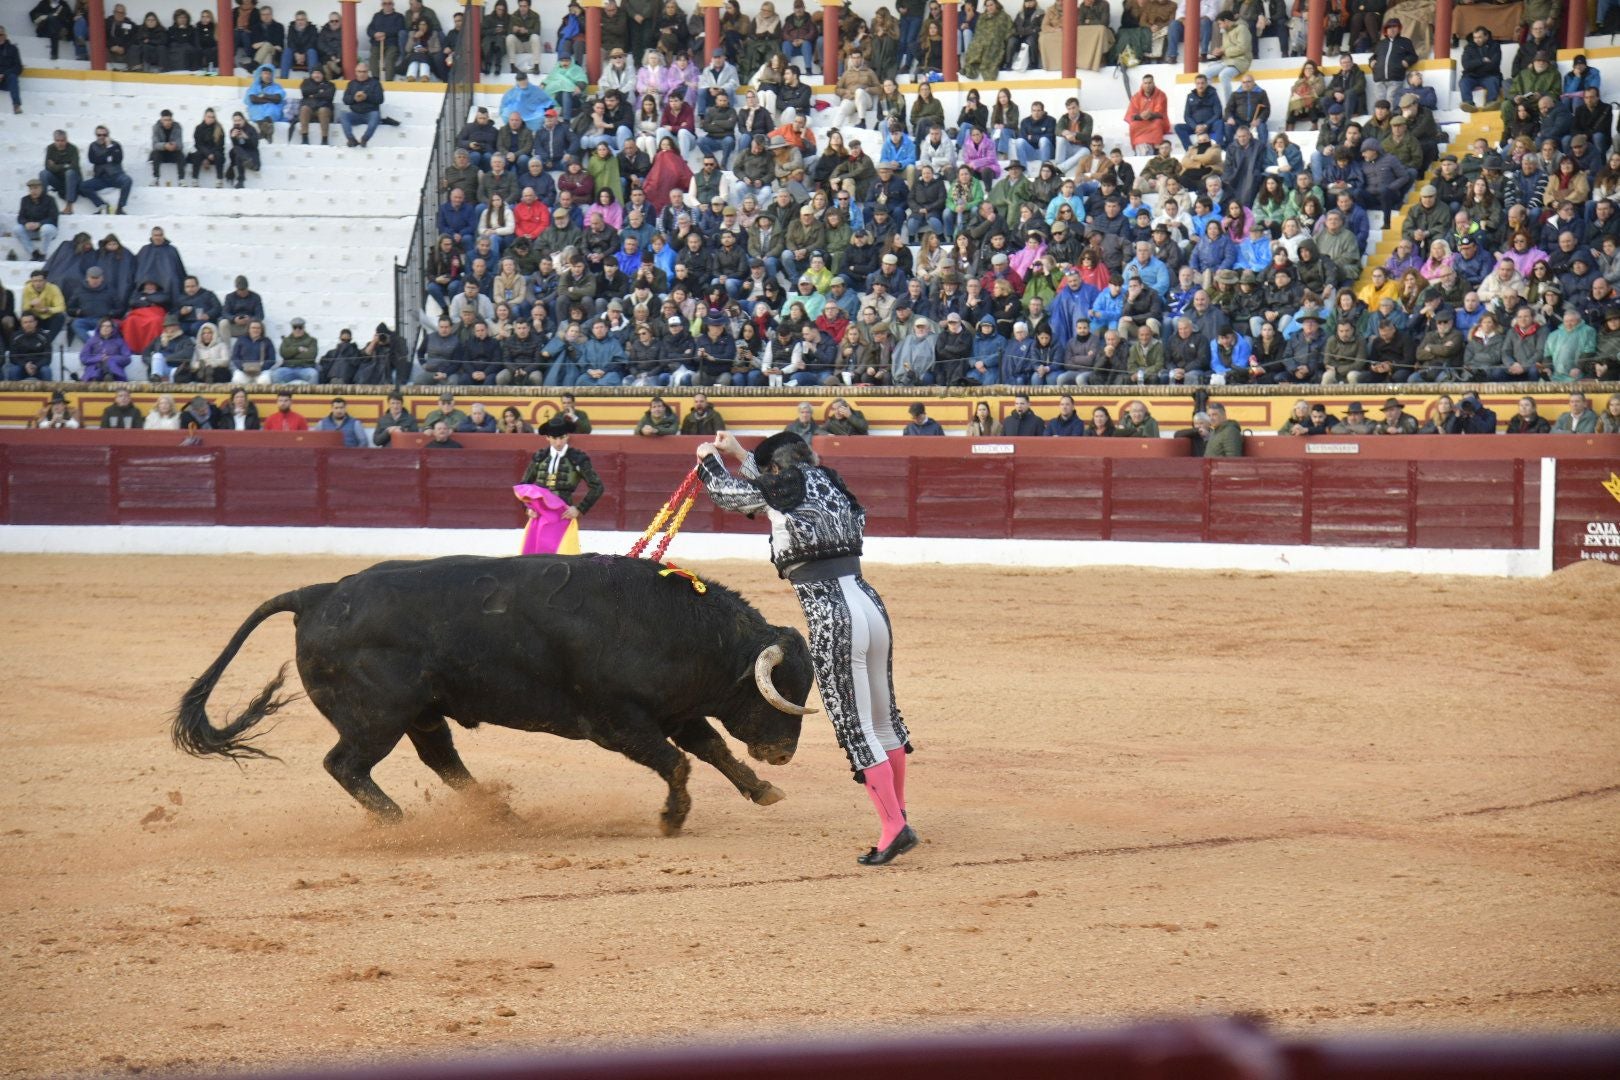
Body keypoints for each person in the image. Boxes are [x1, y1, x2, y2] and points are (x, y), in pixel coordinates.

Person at [696, 428, 917, 866]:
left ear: (776, 468)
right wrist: (741, 452)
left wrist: (707, 461)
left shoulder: (782, 490)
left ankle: (894, 827)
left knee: (856, 725)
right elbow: (776, 491)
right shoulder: (831, 485)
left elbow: (727, 493)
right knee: (882, 717)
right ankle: (899, 811)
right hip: (870, 606)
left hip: (834, 615)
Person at [519, 415, 604, 521]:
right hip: (539, 514)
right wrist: (527, 508)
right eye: (554, 438)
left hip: (564, 514)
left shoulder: (577, 458)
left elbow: (597, 486)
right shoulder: (540, 457)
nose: (558, 443)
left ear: (567, 436)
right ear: (547, 437)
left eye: (562, 437)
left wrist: (579, 509)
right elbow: (523, 486)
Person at [341, 61, 384, 147]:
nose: (361, 74)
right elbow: (345, 100)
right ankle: (351, 139)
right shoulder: (351, 84)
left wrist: (366, 97)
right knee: (342, 115)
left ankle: (364, 139)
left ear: (368, 72)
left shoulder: (375, 83)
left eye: (364, 71)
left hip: (370, 113)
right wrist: (354, 98)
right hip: (355, 114)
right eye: (359, 71)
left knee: (376, 115)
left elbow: (380, 99)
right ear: (356, 72)